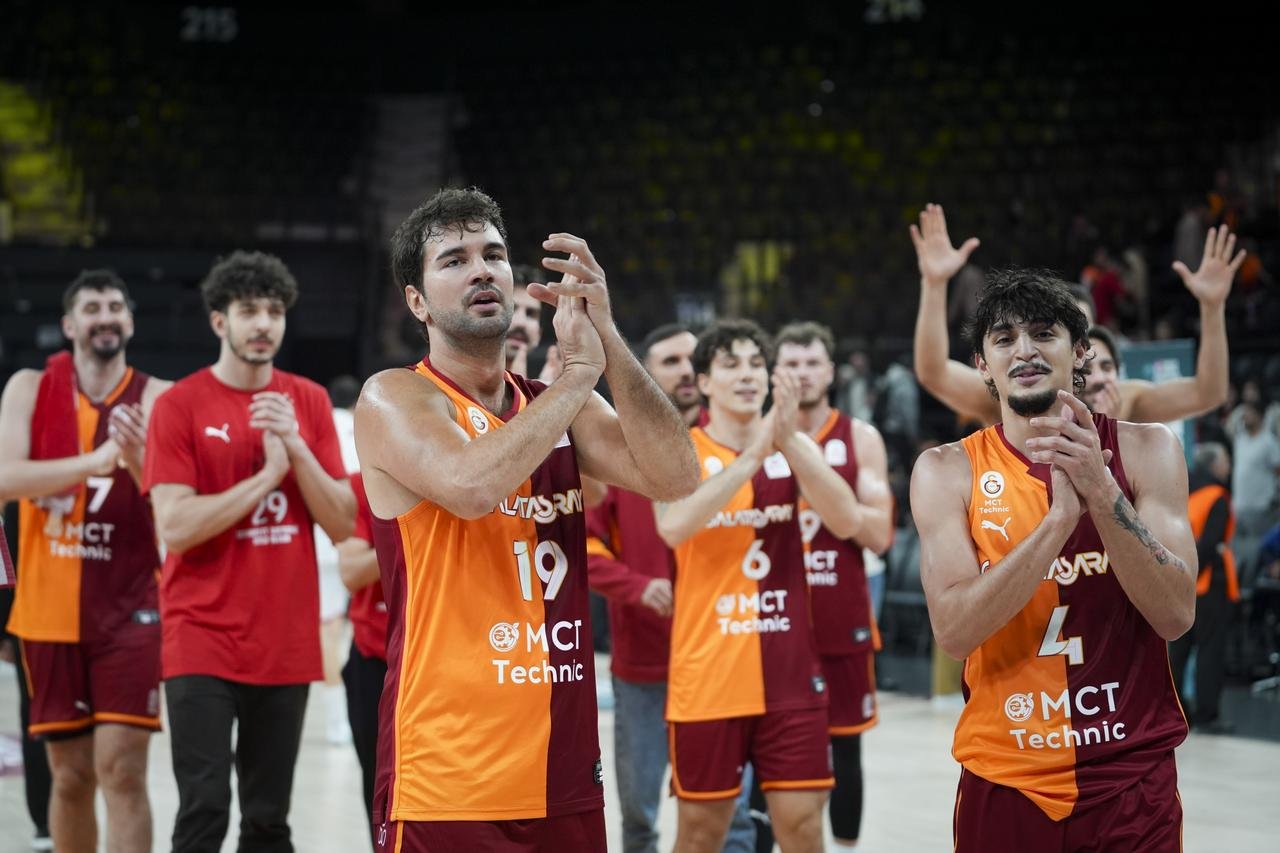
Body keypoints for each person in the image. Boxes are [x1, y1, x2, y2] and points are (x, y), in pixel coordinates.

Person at [355, 187, 697, 851]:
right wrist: (575, 378)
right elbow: (471, 483)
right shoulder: (395, 396)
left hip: (563, 766)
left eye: (494, 254)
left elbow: (676, 475)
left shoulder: (556, 404)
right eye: (454, 260)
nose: (482, 269)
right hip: (449, 770)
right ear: (417, 300)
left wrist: (607, 339)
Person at [911, 268, 1196, 850]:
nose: (1024, 351)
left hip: (1131, 773)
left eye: (1044, 334)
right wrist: (1058, 522)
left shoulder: (1148, 449)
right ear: (982, 365)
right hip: (1007, 773)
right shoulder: (946, 471)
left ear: (1081, 351)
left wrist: (1101, 489)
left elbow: (1176, 613)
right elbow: (955, 630)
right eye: (1003, 338)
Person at [144, 251, 355, 852]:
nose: (264, 323)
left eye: (274, 311)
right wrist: (265, 478)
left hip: (283, 640)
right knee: (205, 807)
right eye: (248, 311)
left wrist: (295, 444)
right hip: (200, 636)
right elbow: (177, 527)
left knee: (268, 821)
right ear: (220, 322)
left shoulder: (308, 402)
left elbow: (342, 524)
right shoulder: (180, 405)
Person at [656, 319, 859, 853]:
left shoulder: (792, 446)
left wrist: (786, 440)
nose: (746, 375)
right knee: (700, 835)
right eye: (730, 364)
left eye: (754, 364)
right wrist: (750, 457)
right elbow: (674, 526)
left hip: (790, 674)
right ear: (703, 382)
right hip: (708, 678)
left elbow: (845, 520)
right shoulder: (681, 450)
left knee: (801, 829)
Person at [0, 270, 170, 853]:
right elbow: (4, 479)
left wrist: (137, 457)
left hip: (132, 611)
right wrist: (96, 462)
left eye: (116, 306)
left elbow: (173, 501)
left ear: (129, 322)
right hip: (49, 612)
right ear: (70, 324)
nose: (105, 315)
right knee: (70, 776)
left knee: (123, 770)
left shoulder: (158, 396)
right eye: (92, 306)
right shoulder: (28, 385)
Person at [585, 323, 756, 853]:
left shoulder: (732, 446)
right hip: (646, 663)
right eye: (670, 361)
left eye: (692, 361)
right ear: (644, 372)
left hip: (722, 659)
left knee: (734, 816)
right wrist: (636, 585)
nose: (685, 371)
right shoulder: (619, 452)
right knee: (639, 813)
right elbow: (585, 548)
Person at [909, 203, 1244, 424]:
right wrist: (935, 283)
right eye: (1047, 332)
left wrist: (1212, 308)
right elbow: (933, 371)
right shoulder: (1009, 393)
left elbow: (1209, 392)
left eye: (1081, 330)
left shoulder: (1120, 396)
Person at [775, 322, 893, 849]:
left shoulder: (859, 437)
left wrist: (829, 497)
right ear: (777, 372)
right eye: (792, 364)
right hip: (775, 617)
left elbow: (881, 534)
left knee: (845, 749)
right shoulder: (755, 434)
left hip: (841, 615)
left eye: (811, 363)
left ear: (830, 370)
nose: (802, 374)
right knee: (771, 752)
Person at [1169, 442, 1238, 733]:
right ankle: (1208, 715)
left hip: (1178, 579)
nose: (1228, 466)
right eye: (1225, 460)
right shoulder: (1217, 497)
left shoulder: (1180, 493)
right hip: (1209, 584)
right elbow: (1210, 545)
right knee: (1210, 649)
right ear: (1215, 465)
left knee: (1177, 649)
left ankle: (1178, 711)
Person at [336, 471, 386, 847]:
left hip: (445, 657)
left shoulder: (458, 473)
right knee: (378, 786)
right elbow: (351, 572)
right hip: (375, 657)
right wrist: (408, 529)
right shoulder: (362, 484)